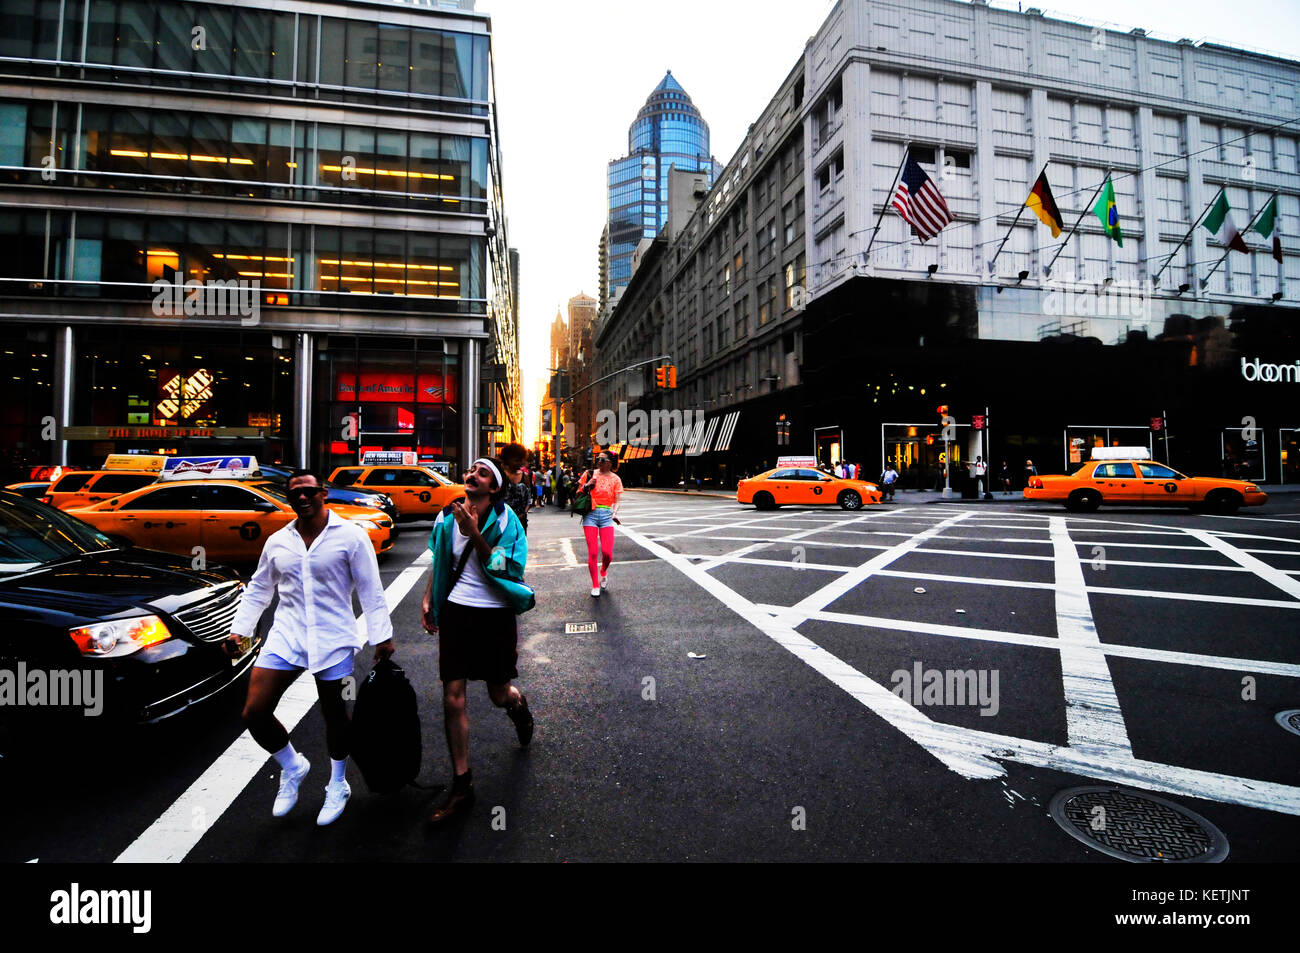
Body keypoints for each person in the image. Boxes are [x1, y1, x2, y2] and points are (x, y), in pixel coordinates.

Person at [225, 469, 394, 826]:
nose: (302, 497)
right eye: (294, 493)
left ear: (323, 493)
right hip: (286, 635)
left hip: (333, 636)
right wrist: (239, 630)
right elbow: (259, 588)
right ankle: (293, 766)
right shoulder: (278, 541)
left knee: (334, 714)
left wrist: (382, 636)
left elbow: (370, 588)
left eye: (309, 491)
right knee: (254, 712)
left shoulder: (351, 536)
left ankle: (337, 783)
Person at [421, 456, 534, 825]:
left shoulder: (506, 522)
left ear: (495, 487)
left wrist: (477, 536)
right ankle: (462, 784)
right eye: (471, 470)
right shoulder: (445, 517)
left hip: (494, 615)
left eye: (482, 472)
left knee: (498, 693)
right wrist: (427, 598)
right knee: (453, 698)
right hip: (455, 612)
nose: (472, 474)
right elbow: (440, 560)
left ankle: (518, 706)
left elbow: (508, 569)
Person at [577, 451, 624, 597]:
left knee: (607, 553)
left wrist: (614, 513)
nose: (599, 461)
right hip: (590, 514)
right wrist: (587, 485)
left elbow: (616, 500)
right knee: (592, 552)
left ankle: (603, 571)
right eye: (598, 459)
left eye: (602, 459)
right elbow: (578, 492)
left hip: (606, 516)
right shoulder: (589, 474)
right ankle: (595, 584)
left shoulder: (616, 479)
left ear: (610, 462)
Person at [498, 442, 533, 533]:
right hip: (501, 522)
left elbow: (529, 500)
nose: (520, 463)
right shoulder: (499, 476)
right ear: (507, 459)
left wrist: (522, 514)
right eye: (516, 460)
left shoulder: (524, 476)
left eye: (522, 460)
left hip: (520, 522)